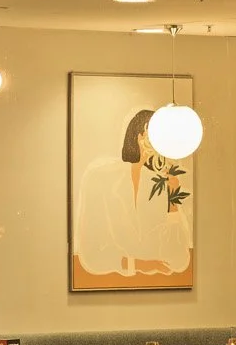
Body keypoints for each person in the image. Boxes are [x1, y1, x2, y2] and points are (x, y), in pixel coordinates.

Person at [73, 108, 191, 282]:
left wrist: (172, 201)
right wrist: (140, 265)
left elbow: (178, 260)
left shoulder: (161, 185)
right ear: (138, 136)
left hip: (158, 286)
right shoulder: (100, 177)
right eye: (152, 137)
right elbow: (91, 256)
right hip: (109, 284)